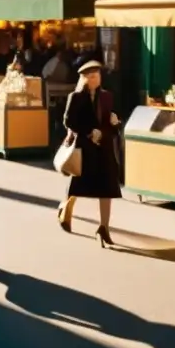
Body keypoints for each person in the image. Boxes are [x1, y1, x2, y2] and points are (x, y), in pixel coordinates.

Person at [57, 61, 122, 248]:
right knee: (78, 185)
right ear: (84, 79)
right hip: (84, 149)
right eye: (91, 76)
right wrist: (88, 132)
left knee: (107, 188)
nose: (95, 79)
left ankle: (104, 228)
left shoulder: (107, 97)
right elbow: (68, 121)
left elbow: (112, 123)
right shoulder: (75, 97)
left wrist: (113, 123)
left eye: (97, 75)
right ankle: (65, 208)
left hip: (104, 148)